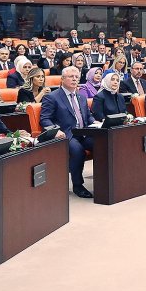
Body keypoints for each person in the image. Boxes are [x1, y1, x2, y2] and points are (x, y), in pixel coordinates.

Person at [37, 66, 94, 199]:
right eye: (71, 77)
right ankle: (78, 186)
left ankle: (104, 180)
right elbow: (45, 119)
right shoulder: (52, 97)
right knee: (77, 150)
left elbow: (88, 116)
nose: (74, 79)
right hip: (66, 135)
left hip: (83, 132)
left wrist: (96, 122)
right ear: (62, 79)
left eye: (76, 77)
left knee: (103, 143)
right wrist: (55, 131)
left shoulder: (81, 97)